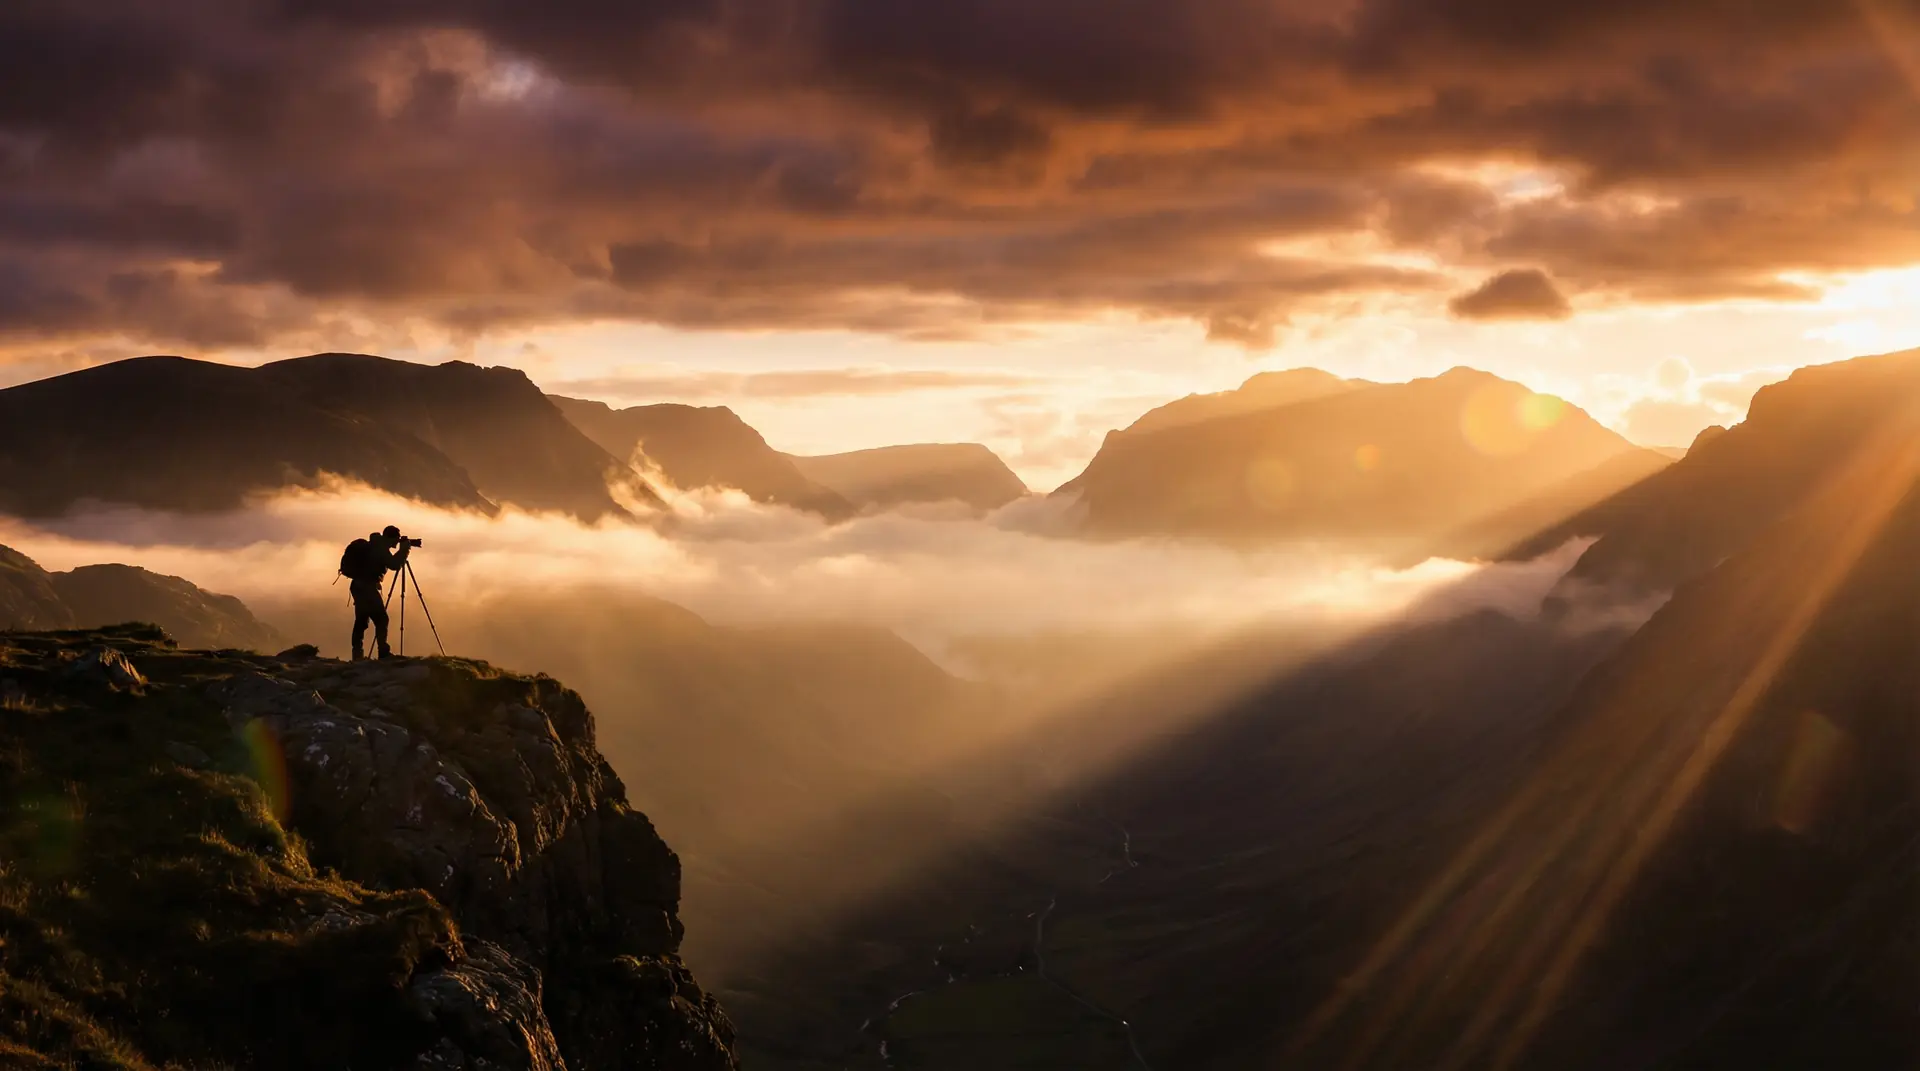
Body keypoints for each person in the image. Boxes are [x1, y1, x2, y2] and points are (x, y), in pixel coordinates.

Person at [339, 525, 411, 660]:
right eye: (397, 539)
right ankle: (383, 652)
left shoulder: (376, 544)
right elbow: (394, 564)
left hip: (358, 586)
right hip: (367, 587)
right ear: (391, 538)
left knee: (361, 620)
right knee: (381, 619)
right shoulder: (381, 548)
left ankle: (357, 653)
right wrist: (404, 550)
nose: (397, 542)